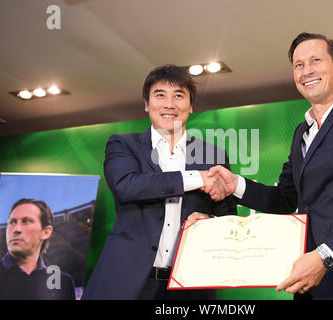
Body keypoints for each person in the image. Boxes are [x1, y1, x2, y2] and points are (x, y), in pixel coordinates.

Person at [206, 33, 333, 299]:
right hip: (311, 286)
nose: (306, 71)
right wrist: (236, 185)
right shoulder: (302, 132)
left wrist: (325, 255)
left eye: (316, 60)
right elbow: (285, 199)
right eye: (298, 65)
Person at [82, 64, 237, 300]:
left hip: (189, 286)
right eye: (160, 95)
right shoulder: (124, 145)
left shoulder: (213, 156)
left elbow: (227, 217)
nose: (169, 104)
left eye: (179, 96)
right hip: (126, 282)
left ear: (191, 106)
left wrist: (210, 222)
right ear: (146, 104)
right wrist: (197, 178)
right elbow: (127, 186)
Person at [0, 198, 76, 300]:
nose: (16, 229)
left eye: (26, 221)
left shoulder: (63, 282)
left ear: (46, 232)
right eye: (12, 222)